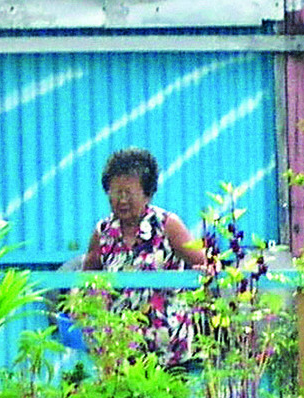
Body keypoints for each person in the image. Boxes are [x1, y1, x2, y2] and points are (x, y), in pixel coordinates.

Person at [76, 147, 209, 364]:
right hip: (119, 348)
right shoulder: (103, 233)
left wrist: (205, 271)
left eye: (129, 193)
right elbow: (86, 281)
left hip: (168, 349)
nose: (122, 200)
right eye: (115, 192)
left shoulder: (167, 225)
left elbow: (205, 262)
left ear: (147, 193)